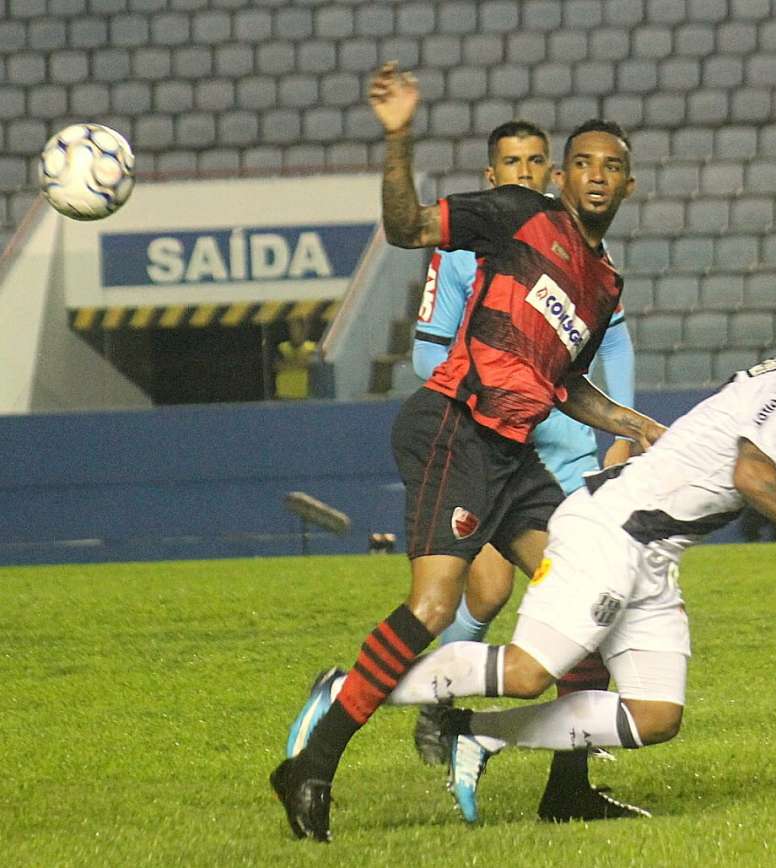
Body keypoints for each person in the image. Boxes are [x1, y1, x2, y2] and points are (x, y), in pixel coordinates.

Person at [270, 62, 665, 842]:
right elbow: (407, 227)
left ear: (629, 185)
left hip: (512, 451)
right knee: (432, 607)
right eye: (582, 163)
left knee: (587, 595)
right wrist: (399, 137)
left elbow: (565, 382)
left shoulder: (604, 282)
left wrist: (633, 423)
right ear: (561, 177)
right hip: (456, 423)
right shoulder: (519, 215)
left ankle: (568, 790)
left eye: (611, 166)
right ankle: (312, 764)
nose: (596, 175)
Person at [377, 335, 776, 824]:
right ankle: (359, 688)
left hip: (653, 556)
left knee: (655, 716)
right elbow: (753, 477)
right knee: (525, 673)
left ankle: (479, 733)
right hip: (611, 533)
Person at [409, 119, 638, 815]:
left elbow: (608, 350)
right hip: (487, 439)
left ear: (551, 173)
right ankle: (435, 702)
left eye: (535, 161)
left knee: (590, 602)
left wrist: (625, 432)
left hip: (562, 452)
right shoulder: (468, 249)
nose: (524, 173)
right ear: (491, 175)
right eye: (512, 162)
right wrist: (508, 388)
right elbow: (428, 351)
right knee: (486, 591)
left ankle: (569, 774)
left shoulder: (585, 258)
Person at [274, 317, 317, 400]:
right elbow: (278, 366)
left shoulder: (312, 348)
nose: (295, 332)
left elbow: (308, 365)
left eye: (298, 329)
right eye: (292, 328)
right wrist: (299, 363)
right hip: (283, 396)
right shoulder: (281, 347)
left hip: (303, 397)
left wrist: (289, 364)